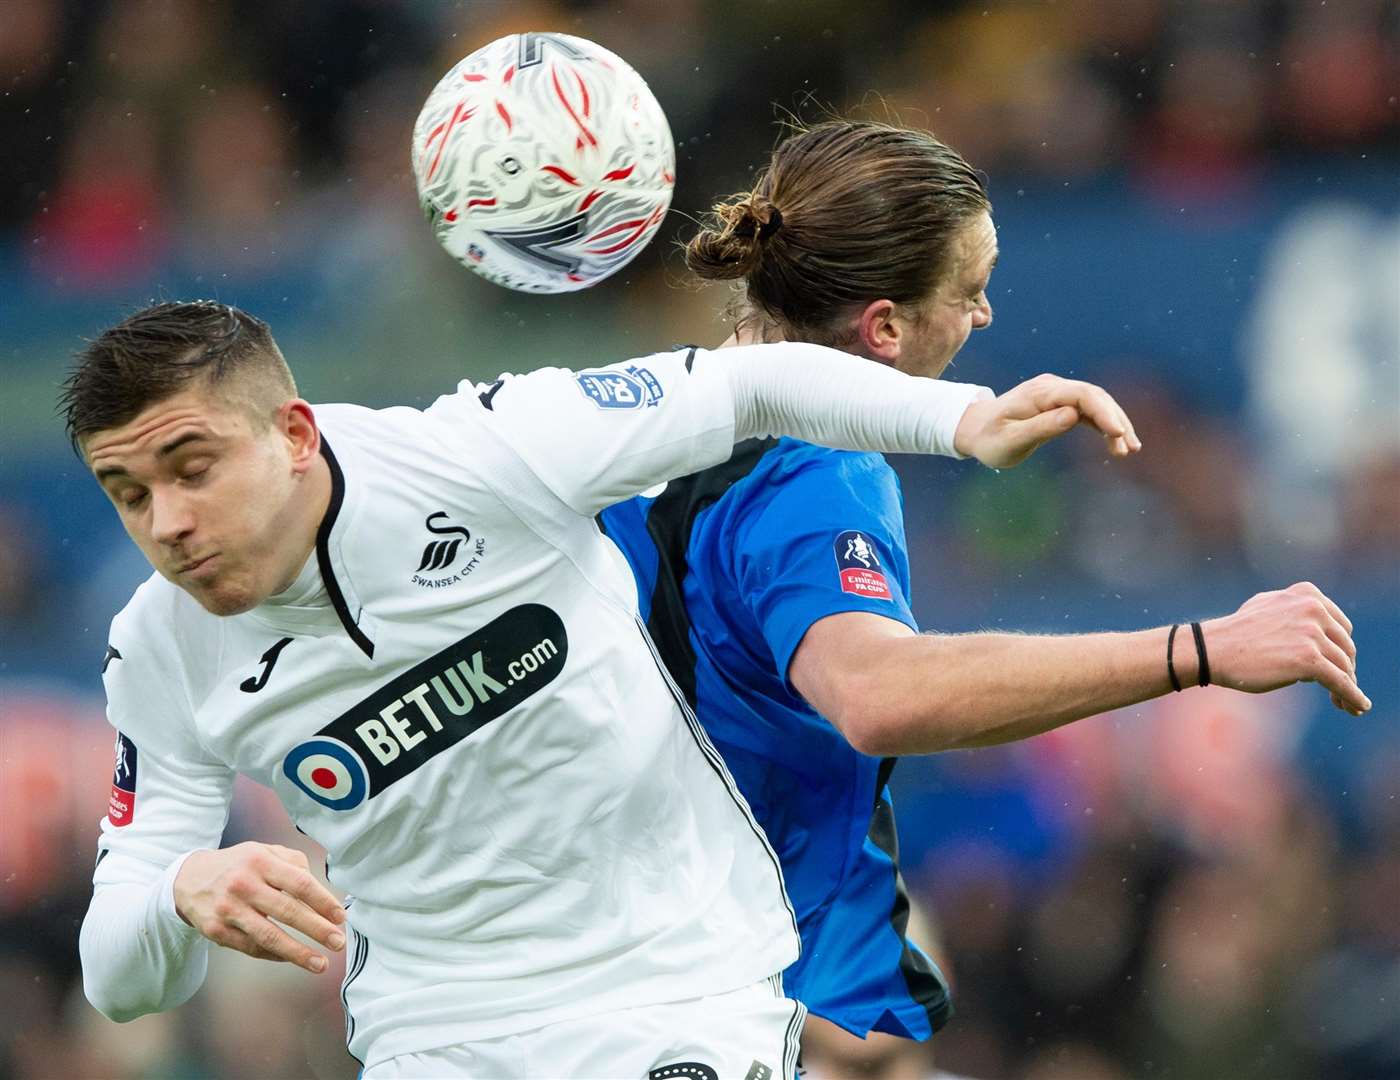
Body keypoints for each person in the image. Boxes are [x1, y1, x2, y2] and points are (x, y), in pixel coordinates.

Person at [63, 300, 1135, 1078]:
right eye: (128, 493)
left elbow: (747, 384)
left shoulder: (484, 453)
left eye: (191, 468)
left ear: (294, 436)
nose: (166, 524)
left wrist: (957, 419)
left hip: (671, 989)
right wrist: (177, 894)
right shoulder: (159, 649)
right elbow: (122, 977)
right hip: (430, 1041)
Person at [598, 119, 1370, 1045]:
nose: (986, 317)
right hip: (758, 995)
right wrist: (1197, 650)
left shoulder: (619, 418)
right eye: (970, 292)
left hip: (615, 967)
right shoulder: (816, 474)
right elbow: (877, 692)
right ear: (883, 327)